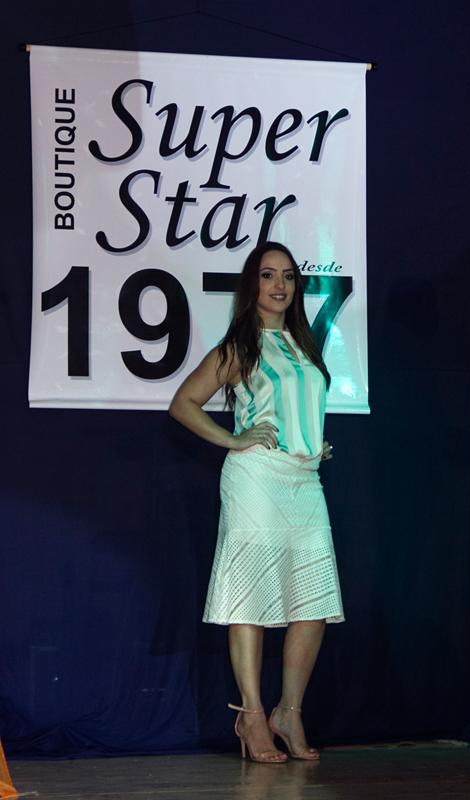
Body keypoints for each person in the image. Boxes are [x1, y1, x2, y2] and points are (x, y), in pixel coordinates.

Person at [168, 241, 345, 763]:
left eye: (287, 276)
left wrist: (311, 441)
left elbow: (297, 403)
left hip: (304, 480)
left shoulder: (304, 345)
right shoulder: (240, 346)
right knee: (249, 598)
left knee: (313, 601)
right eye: (268, 275)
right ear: (252, 285)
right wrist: (234, 438)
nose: (279, 285)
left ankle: (288, 712)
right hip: (256, 480)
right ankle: (250, 715)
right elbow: (183, 403)